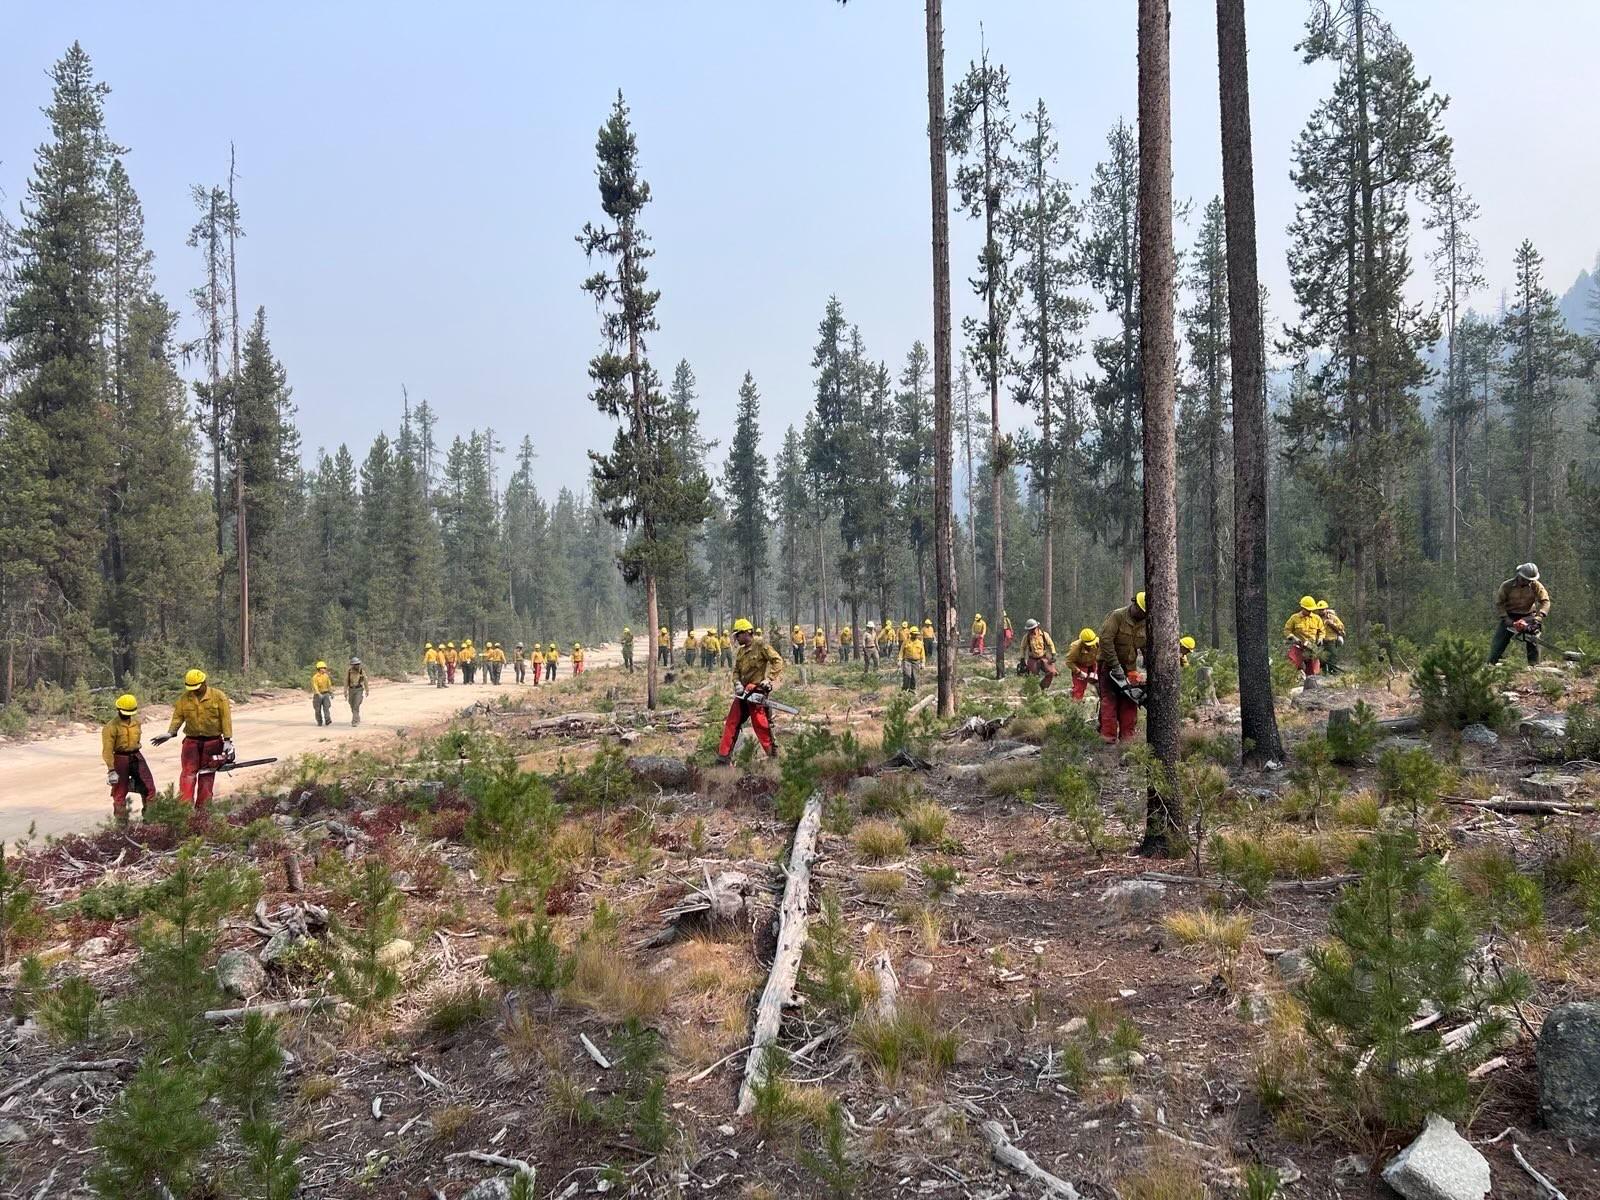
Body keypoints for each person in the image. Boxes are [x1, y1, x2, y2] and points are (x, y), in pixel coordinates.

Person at [154, 669, 233, 809]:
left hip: (212, 742)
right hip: (191, 743)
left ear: (204, 682)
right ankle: (184, 810)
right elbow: (178, 717)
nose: (194, 691)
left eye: (197, 688)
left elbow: (226, 719)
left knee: (207, 775)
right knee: (187, 775)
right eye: (192, 688)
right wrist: (171, 732)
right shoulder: (184, 699)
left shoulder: (218, 697)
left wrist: (227, 740)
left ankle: (202, 811)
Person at [716, 618, 785, 763]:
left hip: (757, 691)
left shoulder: (760, 644)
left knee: (761, 724)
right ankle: (723, 758)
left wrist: (769, 679)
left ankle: (773, 756)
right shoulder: (741, 652)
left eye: (738, 634)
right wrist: (736, 683)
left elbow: (777, 661)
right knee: (732, 721)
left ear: (747, 632)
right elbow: (735, 671)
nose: (736, 638)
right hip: (743, 694)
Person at [1097, 592, 1148, 744]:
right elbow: (1106, 641)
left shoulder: (1146, 622)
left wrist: (1148, 667)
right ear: (1134, 604)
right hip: (1109, 667)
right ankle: (1108, 739)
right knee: (1109, 702)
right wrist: (1115, 666)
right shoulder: (1117, 616)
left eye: (1144, 613)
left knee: (1130, 703)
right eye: (1140, 610)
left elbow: (1147, 646)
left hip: (1130, 669)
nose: (1141, 614)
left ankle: (1128, 740)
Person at [102, 693, 155, 825]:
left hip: (136, 755)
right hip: (120, 758)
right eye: (125, 712)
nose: (127, 715)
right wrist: (111, 770)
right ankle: (121, 824)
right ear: (118, 709)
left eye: (130, 712)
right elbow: (107, 750)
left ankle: (151, 821)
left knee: (150, 789)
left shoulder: (136, 723)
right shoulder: (110, 727)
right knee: (119, 793)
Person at [1489, 562, 1552, 666]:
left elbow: (1545, 601)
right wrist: (1506, 619)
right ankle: (1491, 666)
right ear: (1519, 575)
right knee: (1498, 642)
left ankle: (1533, 666)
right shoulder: (1507, 586)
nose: (1527, 582)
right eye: (1524, 579)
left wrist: (1538, 617)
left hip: (1528, 616)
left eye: (1529, 580)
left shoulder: (1535, 585)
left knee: (1534, 641)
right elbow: (1499, 603)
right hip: (1510, 616)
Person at [1284, 596, 1325, 677]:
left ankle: (1310, 682)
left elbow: (1322, 631)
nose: (1309, 611)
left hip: (1312, 647)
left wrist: (1320, 638)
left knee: (1313, 670)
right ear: (1302, 608)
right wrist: (1293, 637)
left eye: (1311, 610)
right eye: (1307, 610)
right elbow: (1287, 630)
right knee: (1292, 663)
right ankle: (1293, 679)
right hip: (1298, 646)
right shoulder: (1294, 618)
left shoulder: (1316, 618)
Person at [1020, 619, 1058, 688]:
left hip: (1043, 657)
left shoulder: (1044, 634)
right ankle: (1033, 690)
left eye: (1033, 629)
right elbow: (1023, 647)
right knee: (1033, 676)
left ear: (1037, 627)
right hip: (1033, 659)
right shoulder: (1027, 637)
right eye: (1030, 629)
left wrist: (1053, 654)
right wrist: (1022, 659)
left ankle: (1043, 687)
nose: (1031, 631)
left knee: (1051, 672)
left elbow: (1050, 644)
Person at [1065, 628, 1100, 700]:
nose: (1091, 645)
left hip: (1093, 663)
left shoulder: (1098, 643)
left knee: (1100, 684)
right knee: (1079, 688)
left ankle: (1102, 702)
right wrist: (1079, 672)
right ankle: (1076, 704)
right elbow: (1069, 662)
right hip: (1080, 665)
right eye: (1088, 644)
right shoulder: (1075, 647)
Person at [1315, 601, 1346, 673]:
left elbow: (1341, 627)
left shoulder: (1333, 617)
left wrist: (1332, 624)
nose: (1321, 611)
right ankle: (1324, 672)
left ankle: (1333, 671)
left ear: (1326, 609)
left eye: (1322, 609)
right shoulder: (1316, 618)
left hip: (1331, 640)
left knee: (1333, 656)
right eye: (1319, 610)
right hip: (1320, 641)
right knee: (1321, 658)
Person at [900, 622, 925, 690]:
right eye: (914, 634)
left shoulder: (920, 643)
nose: (915, 635)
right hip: (907, 660)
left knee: (914, 676)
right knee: (907, 675)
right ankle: (905, 689)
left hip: (916, 661)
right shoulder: (906, 641)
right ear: (911, 634)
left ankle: (912, 689)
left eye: (916, 634)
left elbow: (922, 653)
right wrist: (899, 660)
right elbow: (901, 651)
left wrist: (923, 662)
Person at [346, 657, 368, 725]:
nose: (357, 665)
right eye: (355, 664)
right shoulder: (349, 671)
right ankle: (357, 717)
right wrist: (344, 691)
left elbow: (365, 681)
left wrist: (367, 690)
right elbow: (346, 681)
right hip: (351, 690)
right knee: (351, 704)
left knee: (356, 705)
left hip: (359, 690)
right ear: (352, 665)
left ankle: (354, 721)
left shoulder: (361, 671)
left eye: (358, 664)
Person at [311, 660, 334, 726]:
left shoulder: (326, 676)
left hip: (326, 694)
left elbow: (329, 685)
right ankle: (319, 721)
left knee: (326, 708)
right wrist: (318, 693)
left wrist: (331, 693)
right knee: (317, 710)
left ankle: (327, 720)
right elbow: (315, 686)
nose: (324, 669)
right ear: (319, 669)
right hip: (318, 695)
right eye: (323, 668)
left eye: (325, 668)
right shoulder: (315, 677)